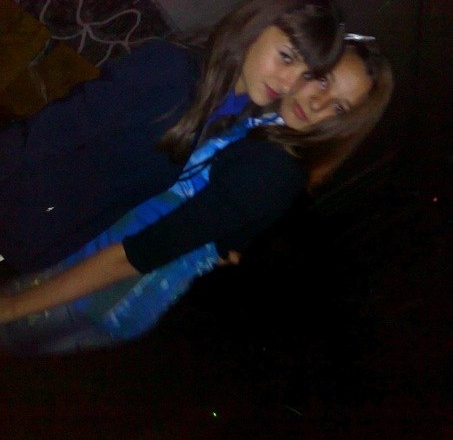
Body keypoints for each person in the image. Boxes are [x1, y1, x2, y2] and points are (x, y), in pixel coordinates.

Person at [0, 36, 394, 356]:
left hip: (97, 293)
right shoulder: (265, 124)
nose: (318, 103)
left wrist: (14, 307)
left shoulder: (273, 171)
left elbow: (136, 257)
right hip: (88, 257)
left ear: (343, 125)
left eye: (338, 107)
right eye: (322, 80)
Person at [0, 0, 343, 274]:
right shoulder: (171, 70)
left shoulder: (236, 126)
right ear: (256, 25)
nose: (288, 83)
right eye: (286, 57)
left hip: (42, 249)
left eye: (306, 75)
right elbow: (49, 132)